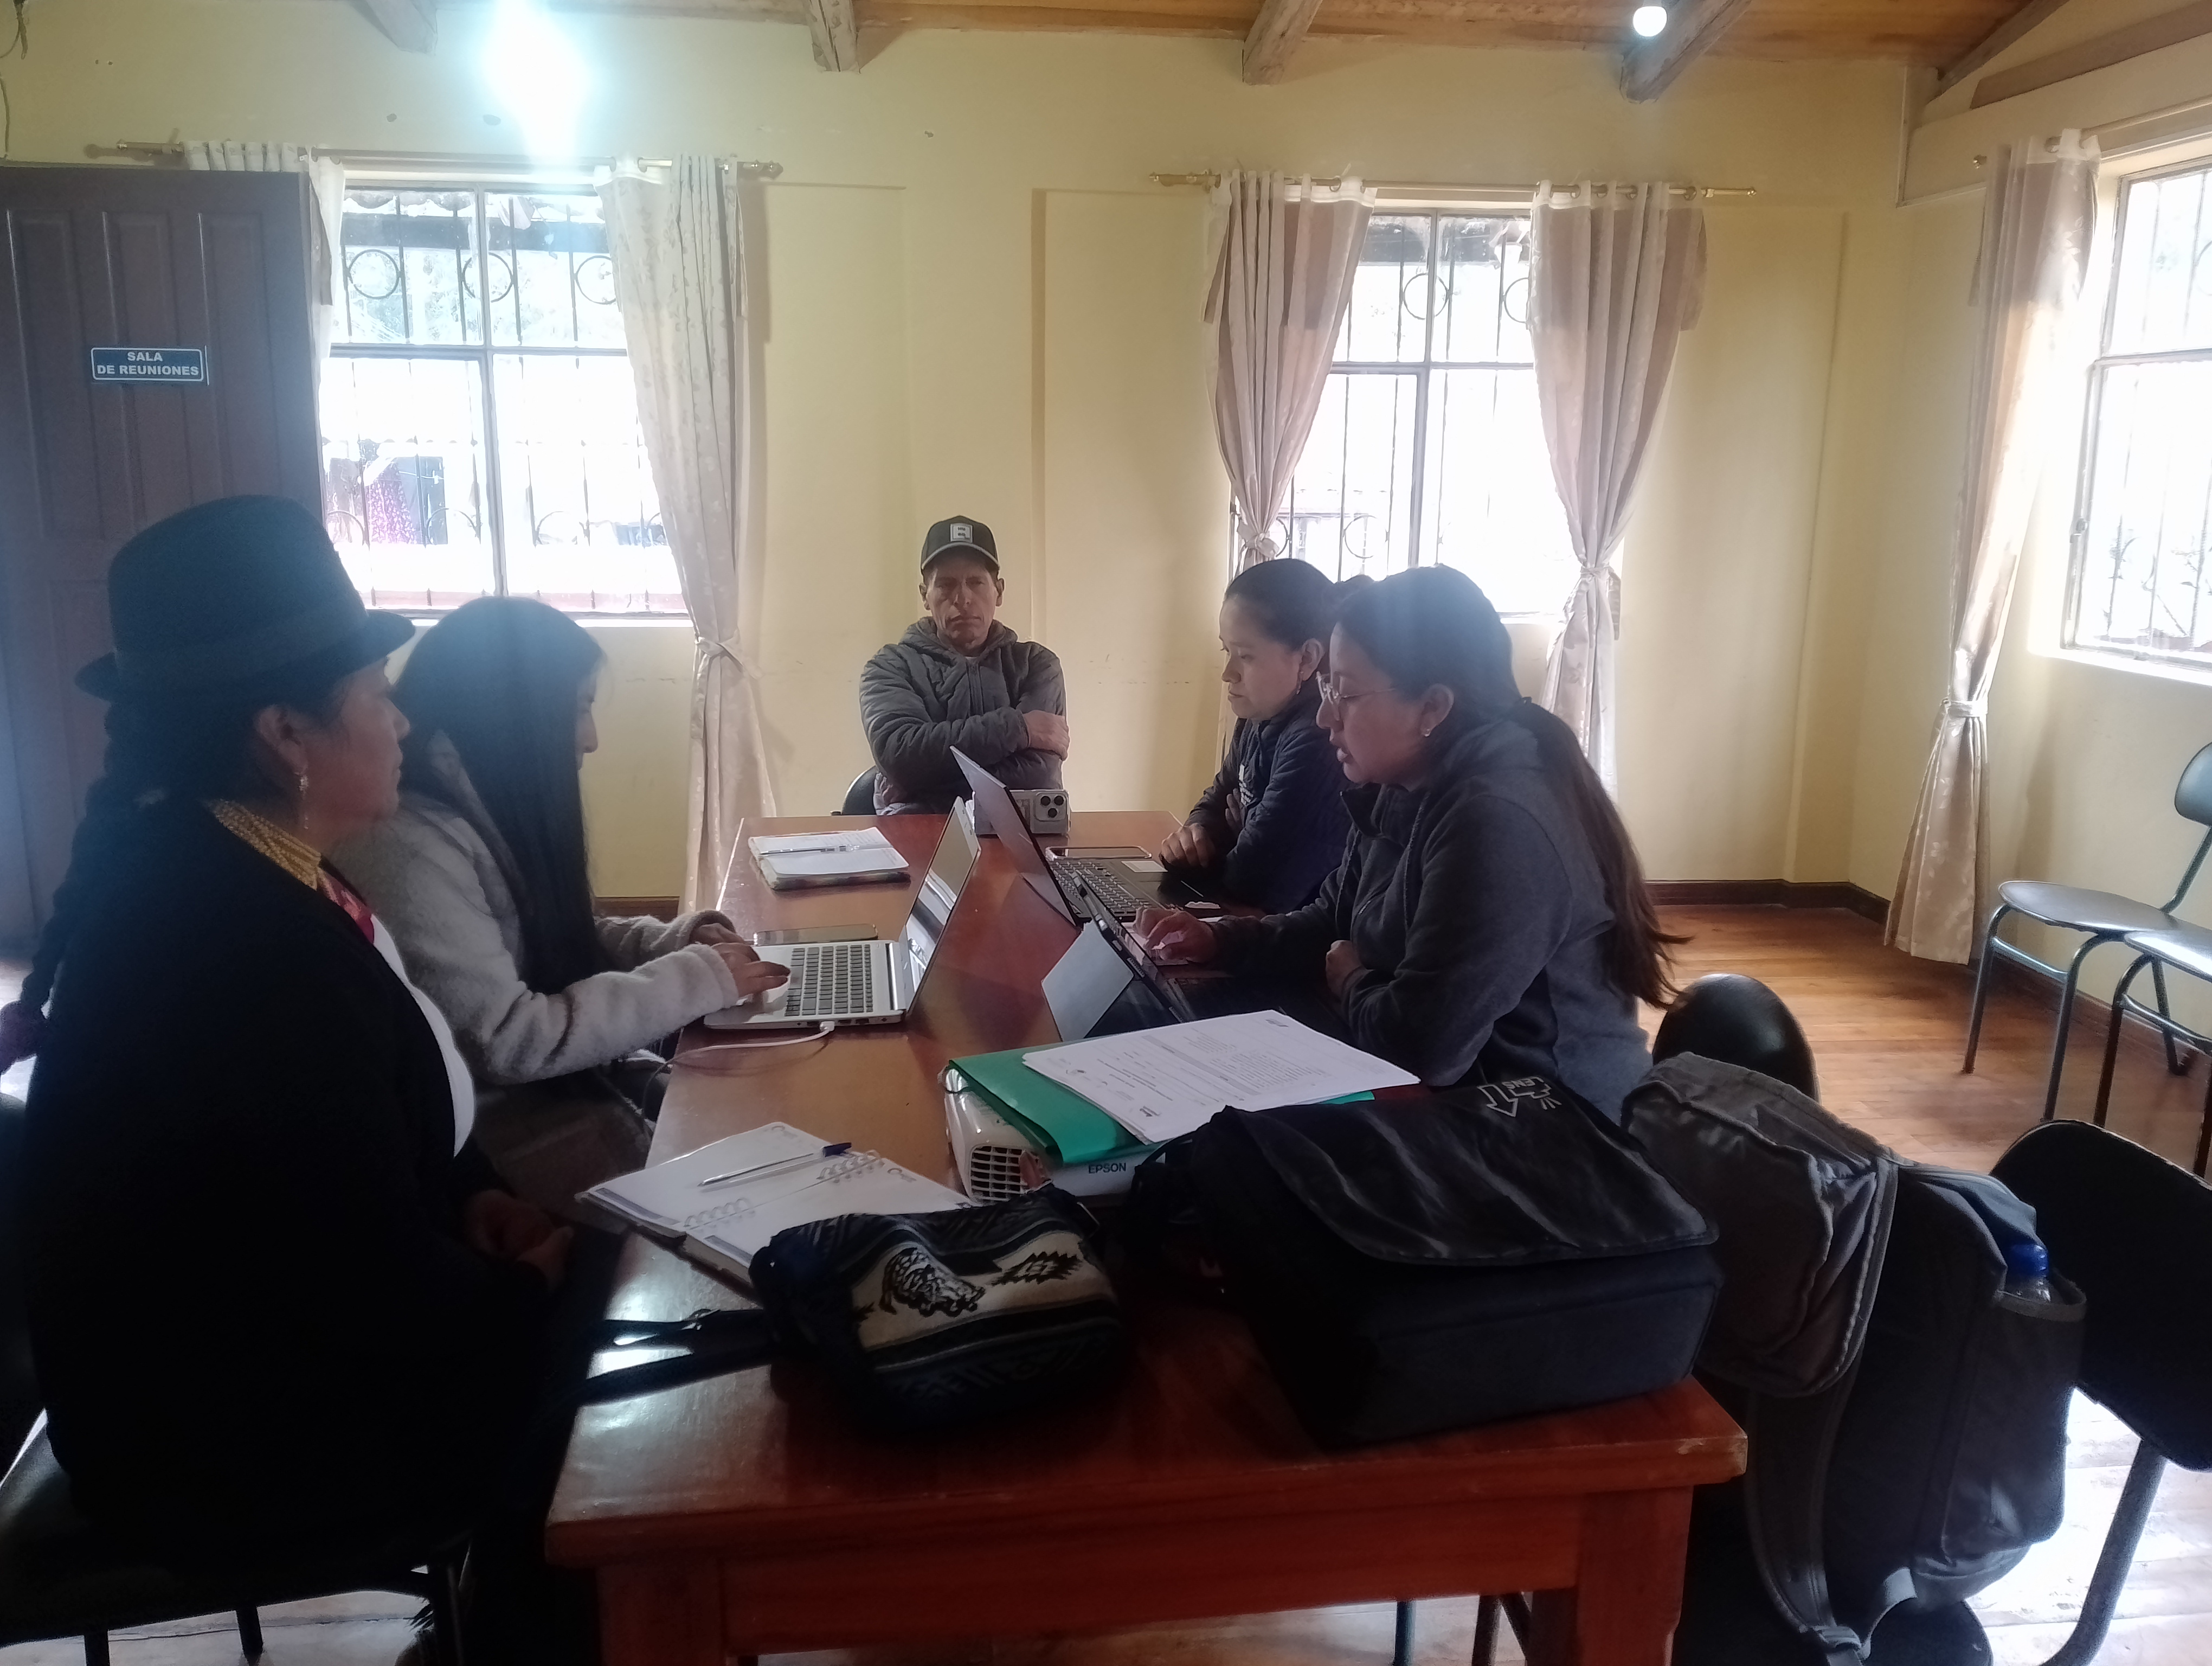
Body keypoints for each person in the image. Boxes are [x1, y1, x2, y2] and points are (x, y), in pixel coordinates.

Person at [1, 497, 595, 1664]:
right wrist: (521, 1296)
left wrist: (474, 1190)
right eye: (374, 693)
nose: (401, 719)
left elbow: (374, 1116)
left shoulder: (253, 862)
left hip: (261, 1351)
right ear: (286, 731)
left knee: (612, 1326)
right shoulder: (231, 947)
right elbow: (363, 1281)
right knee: (619, 1396)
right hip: (224, 1440)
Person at [1136, 565, 1672, 1120]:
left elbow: (1424, 1048)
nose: (1324, 716)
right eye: (1328, 689)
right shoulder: (1401, 785)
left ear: (1432, 708)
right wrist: (1217, 940)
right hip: (1447, 1096)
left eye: (1346, 693)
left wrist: (1354, 981)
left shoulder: (1497, 819)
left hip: (1547, 1126)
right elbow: (1331, 921)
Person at [336, 598, 787, 1219]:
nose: (591, 738)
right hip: (510, 1148)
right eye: (577, 709)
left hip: (568, 1098)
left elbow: (543, 937)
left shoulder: (476, 801)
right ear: (512, 717)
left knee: (767, 1112)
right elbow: (510, 1040)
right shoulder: (408, 845)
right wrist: (697, 977)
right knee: (760, 1197)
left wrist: (671, 943)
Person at [1158, 561, 1362, 912]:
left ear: (1307, 658)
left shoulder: (1317, 738)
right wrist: (1196, 834)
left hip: (1294, 931)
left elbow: (1249, 881)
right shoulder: (1258, 715)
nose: (1228, 673)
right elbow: (1216, 798)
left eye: (1245, 656)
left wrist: (1235, 837)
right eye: (1226, 651)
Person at [860, 515, 1068, 814]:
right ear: (925, 595)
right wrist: (1019, 728)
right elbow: (900, 757)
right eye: (946, 585)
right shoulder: (891, 667)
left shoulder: (1037, 665)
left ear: (999, 591)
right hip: (920, 834)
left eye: (976, 582)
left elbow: (1038, 778)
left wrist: (922, 788)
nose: (963, 598)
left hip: (1019, 834)